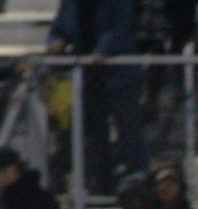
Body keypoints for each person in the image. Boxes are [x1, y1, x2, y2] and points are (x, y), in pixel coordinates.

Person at [47, 0, 150, 195]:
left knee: (128, 128)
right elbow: (60, 28)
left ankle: (139, 181)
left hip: (119, 74)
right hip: (89, 76)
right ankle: (100, 185)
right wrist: (55, 42)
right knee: (94, 133)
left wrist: (102, 50)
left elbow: (120, 27)